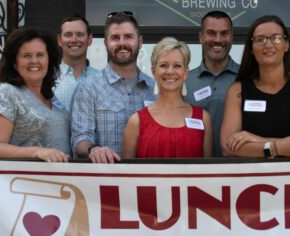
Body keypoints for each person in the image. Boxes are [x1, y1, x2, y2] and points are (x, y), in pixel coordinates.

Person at [221, 15, 290, 158]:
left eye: (276, 38)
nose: (268, 45)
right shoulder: (237, 90)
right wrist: (278, 148)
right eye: (260, 40)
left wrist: (261, 142)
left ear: (286, 45)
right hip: (252, 179)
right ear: (251, 49)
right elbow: (228, 148)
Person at [71, 11, 155, 163]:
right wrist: (94, 149)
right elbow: (80, 138)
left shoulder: (155, 89)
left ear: (140, 41)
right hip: (105, 180)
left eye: (128, 37)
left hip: (149, 180)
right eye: (115, 38)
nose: (122, 43)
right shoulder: (88, 87)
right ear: (105, 43)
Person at [0, 28, 70, 161]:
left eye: (40, 55)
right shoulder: (6, 93)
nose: (34, 61)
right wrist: (37, 152)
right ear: (15, 63)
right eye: (26, 55)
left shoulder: (51, 97)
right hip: (22, 179)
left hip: (59, 180)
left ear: (49, 60)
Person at [123, 37, 213, 158]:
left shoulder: (203, 119)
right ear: (154, 71)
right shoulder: (136, 122)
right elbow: (128, 174)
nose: (170, 71)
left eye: (177, 66)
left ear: (186, 73)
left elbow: (208, 172)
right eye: (164, 65)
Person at [185, 11, 239, 156]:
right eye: (211, 33)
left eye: (224, 33)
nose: (218, 39)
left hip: (239, 169)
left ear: (232, 37)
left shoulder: (247, 78)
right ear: (200, 37)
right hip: (194, 170)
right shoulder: (184, 81)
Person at [54, 15, 97, 110]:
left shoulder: (101, 79)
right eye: (68, 35)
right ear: (59, 40)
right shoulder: (46, 78)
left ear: (89, 39)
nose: (74, 40)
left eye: (80, 34)